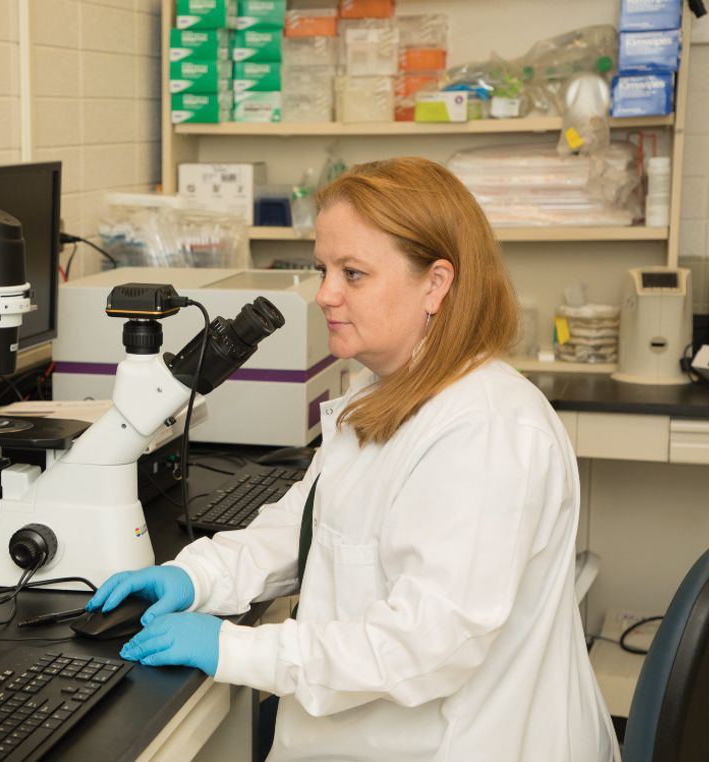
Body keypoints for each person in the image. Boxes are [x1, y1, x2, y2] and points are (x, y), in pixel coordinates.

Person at [86, 157, 618, 761]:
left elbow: (425, 647)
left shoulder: (486, 431)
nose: (324, 294)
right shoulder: (383, 388)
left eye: (353, 273)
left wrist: (236, 650)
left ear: (436, 284)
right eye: (323, 268)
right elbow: (313, 528)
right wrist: (197, 575)